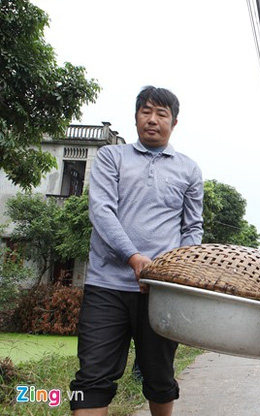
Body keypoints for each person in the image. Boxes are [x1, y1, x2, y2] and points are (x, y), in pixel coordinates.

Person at [70, 86, 204, 415]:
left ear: (174, 122)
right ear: (135, 117)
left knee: (160, 378)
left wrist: (177, 270)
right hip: (106, 286)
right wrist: (134, 258)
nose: (153, 119)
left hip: (161, 291)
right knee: (91, 379)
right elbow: (101, 211)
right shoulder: (110, 157)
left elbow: (192, 227)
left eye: (161, 114)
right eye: (146, 111)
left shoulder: (189, 169)